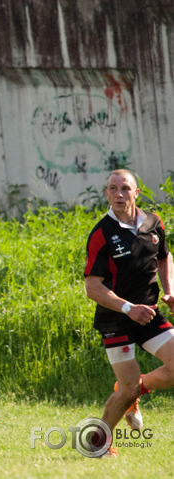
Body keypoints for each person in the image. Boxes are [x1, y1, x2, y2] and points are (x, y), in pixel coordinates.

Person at [84, 169, 174, 457]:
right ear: (107, 194)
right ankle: (98, 444)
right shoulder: (101, 234)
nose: (119, 194)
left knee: (144, 382)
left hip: (149, 314)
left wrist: (169, 289)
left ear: (137, 192)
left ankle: (139, 389)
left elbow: (164, 257)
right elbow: (92, 288)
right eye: (113, 189)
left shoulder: (153, 222)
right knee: (126, 389)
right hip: (116, 319)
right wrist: (127, 308)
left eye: (125, 188)